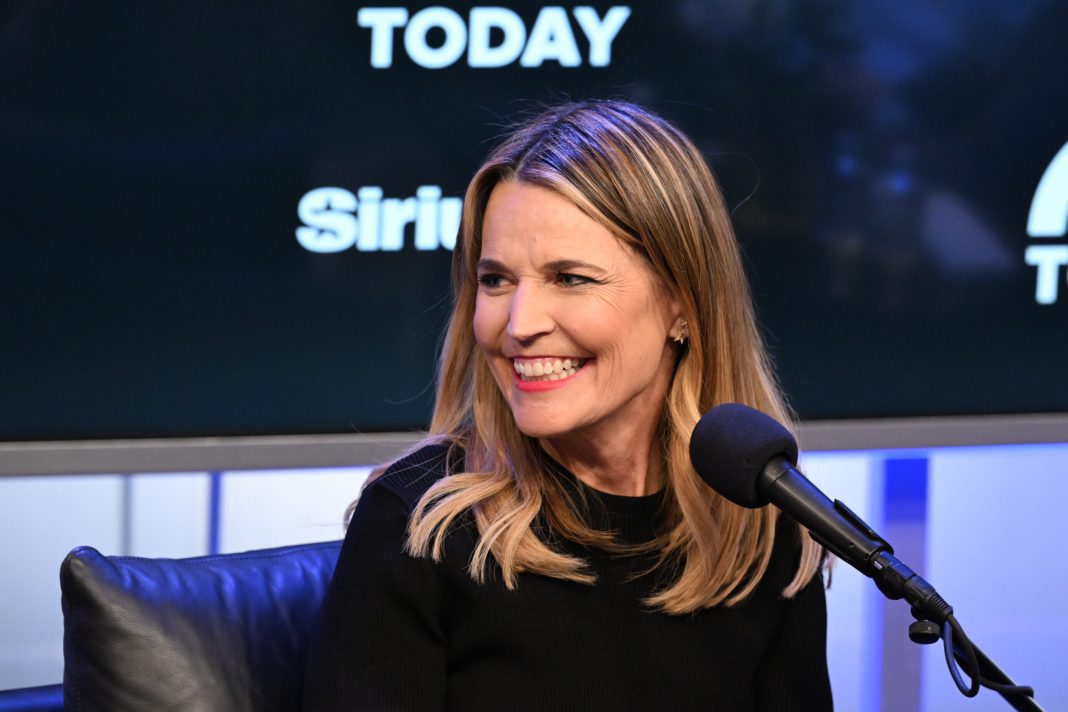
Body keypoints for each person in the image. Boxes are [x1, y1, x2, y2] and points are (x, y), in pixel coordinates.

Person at [302, 100, 832, 711]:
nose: (519, 324)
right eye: (496, 280)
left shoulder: (764, 526)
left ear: (683, 304)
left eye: (571, 279)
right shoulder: (418, 525)